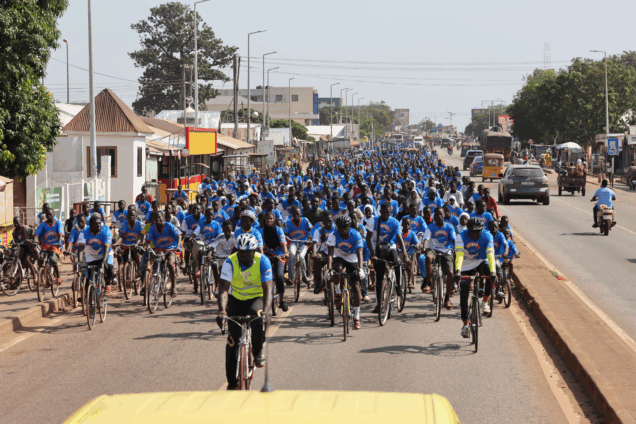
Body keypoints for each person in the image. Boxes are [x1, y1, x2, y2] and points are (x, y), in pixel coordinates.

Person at [216, 233, 272, 390]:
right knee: (232, 340)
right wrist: (222, 312)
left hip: (256, 297)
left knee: (257, 316)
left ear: (254, 251)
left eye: (248, 252)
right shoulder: (230, 262)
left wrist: (266, 312)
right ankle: (232, 384)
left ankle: (257, 350)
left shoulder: (263, 261)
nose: (244, 255)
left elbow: (268, 289)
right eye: (241, 252)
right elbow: (223, 289)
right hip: (236, 298)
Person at [454, 218, 497, 338]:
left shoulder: (487, 236)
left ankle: (485, 301)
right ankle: (465, 324)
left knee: (490, 273)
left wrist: (493, 272)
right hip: (465, 263)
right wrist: (458, 271)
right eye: (471, 231)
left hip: (480, 261)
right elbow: (459, 254)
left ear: (481, 230)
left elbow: (490, 254)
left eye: (477, 232)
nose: (474, 234)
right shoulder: (461, 236)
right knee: (463, 294)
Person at [366, 203, 410, 314]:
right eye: (384, 212)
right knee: (379, 278)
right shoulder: (373, 221)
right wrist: (373, 254)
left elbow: (399, 238)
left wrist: (405, 254)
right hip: (377, 248)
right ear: (380, 212)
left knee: (397, 263)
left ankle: (398, 285)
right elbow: (368, 239)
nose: (385, 214)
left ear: (391, 213)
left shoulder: (394, 222)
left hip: (390, 247)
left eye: (388, 213)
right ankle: (379, 304)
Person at [326, 214, 365, 329]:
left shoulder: (355, 234)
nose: (342, 230)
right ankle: (338, 292)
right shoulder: (334, 234)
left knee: (356, 287)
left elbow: (359, 252)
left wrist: (360, 269)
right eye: (340, 228)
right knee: (336, 269)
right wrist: (329, 269)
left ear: (349, 227)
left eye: (344, 228)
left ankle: (357, 317)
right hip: (340, 257)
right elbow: (330, 253)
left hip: (353, 258)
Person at [421, 208, 456, 309]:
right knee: (428, 257)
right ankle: (429, 283)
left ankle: (447, 299)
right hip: (433, 250)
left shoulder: (449, 227)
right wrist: (424, 247)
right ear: (434, 216)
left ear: (444, 215)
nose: (439, 216)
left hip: (446, 251)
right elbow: (426, 238)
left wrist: (455, 248)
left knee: (450, 272)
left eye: (440, 214)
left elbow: (454, 239)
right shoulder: (430, 226)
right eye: (436, 214)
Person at [145, 212, 182, 298]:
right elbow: (147, 240)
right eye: (156, 218)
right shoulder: (152, 228)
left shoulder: (168, 225)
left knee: (170, 263)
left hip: (171, 248)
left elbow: (179, 235)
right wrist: (148, 246)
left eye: (159, 217)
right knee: (157, 260)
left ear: (163, 218)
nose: (158, 219)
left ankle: (173, 287)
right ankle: (157, 280)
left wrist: (178, 246)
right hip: (160, 249)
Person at [77, 214, 115, 295]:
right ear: (90, 225)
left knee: (109, 267)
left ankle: (108, 283)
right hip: (92, 255)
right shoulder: (84, 232)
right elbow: (80, 248)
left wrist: (104, 261)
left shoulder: (105, 230)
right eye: (96, 224)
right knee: (89, 277)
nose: (99, 225)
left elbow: (107, 247)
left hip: (105, 253)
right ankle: (87, 297)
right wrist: (79, 261)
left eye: (99, 223)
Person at [259, 211, 289, 312]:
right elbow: (260, 245)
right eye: (267, 218)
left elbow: (283, 243)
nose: (269, 220)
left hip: (279, 255)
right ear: (264, 220)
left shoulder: (278, 230)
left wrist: (285, 252)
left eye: (271, 218)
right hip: (266, 254)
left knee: (279, 276)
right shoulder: (261, 231)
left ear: (274, 220)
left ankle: (282, 300)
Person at [34, 209, 64, 285]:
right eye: (47, 215)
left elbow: (60, 234)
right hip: (45, 246)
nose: (49, 216)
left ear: (54, 214)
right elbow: (37, 233)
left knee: (53, 260)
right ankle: (41, 276)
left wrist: (59, 242)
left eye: (50, 214)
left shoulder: (57, 223)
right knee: (40, 259)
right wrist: (35, 240)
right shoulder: (43, 224)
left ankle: (58, 277)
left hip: (55, 245)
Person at [284, 206, 312, 286]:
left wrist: (309, 239)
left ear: (300, 213)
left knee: (301, 256)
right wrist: (286, 238)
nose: (296, 215)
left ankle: (304, 276)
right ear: (291, 214)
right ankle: (290, 277)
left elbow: (311, 230)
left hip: (303, 243)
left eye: (298, 213)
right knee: (292, 255)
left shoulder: (305, 220)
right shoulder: (288, 222)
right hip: (293, 243)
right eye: (294, 213)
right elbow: (284, 233)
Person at [12, 216, 38, 282]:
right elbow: (15, 241)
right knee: (17, 258)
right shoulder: (14, 231)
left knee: (27, 259)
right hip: (22, 247)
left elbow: (33, 235)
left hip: (29, 247)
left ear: (21, 222)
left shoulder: (26, 228)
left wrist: (32, 241)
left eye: (17, 222)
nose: (15, 224)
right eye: (14, 223)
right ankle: (19, 274)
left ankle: (34, 275)